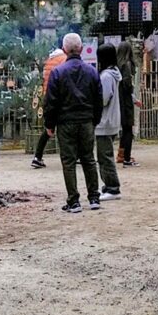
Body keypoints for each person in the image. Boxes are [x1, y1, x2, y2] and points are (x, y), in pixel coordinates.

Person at [44, 32, 102, 213]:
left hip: (65, 122)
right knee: (89, 159)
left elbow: (51, 101)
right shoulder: (92, 71)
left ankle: (74, 201)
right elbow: (98, 99)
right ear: (81, 49)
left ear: (64, 49)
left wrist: (50, 124)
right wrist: (95, 119)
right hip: (86, 121)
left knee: (68, 161)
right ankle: (94, 197)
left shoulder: (57, 72)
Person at [95, 43, 123, 201]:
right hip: (112, 119)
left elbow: (103, 99)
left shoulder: (106, 76)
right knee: (105, 155)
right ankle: (108, 186)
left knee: (105, 157)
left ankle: (113, 188)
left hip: (104, 121)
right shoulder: (114, 73)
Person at [32, 47, 67, 169]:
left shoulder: (49, 60)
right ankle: (71, 156)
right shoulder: (64, 59)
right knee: (66, 127)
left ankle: (37, 157)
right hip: (60, 96)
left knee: (48, 128)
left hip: (48, 95)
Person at [116, 41, 140, 167]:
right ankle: (126, 157)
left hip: (117, 100)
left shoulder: (116, 65)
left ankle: (121, 155)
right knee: (128, 129)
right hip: (125, 101)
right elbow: (127, 84)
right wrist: (133, 97)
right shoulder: (127, 65)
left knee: (123, 128)